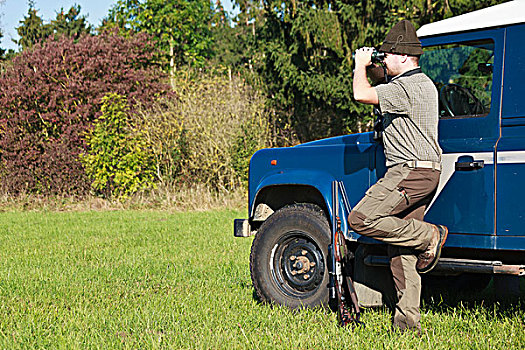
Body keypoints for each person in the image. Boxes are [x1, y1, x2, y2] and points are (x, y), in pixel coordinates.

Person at [348, 20, 448, 333]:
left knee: (361, 219)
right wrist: (377, 65)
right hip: (425, 171)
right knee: (402, 252)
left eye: (388, 55)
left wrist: (360, 64)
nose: (384, 60)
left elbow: (361, 93)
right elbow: (383, 80)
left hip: (409, 170)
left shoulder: (405, 88)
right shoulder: (422, 84)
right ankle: (407, 325)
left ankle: (430, 236)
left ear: (403, 57)